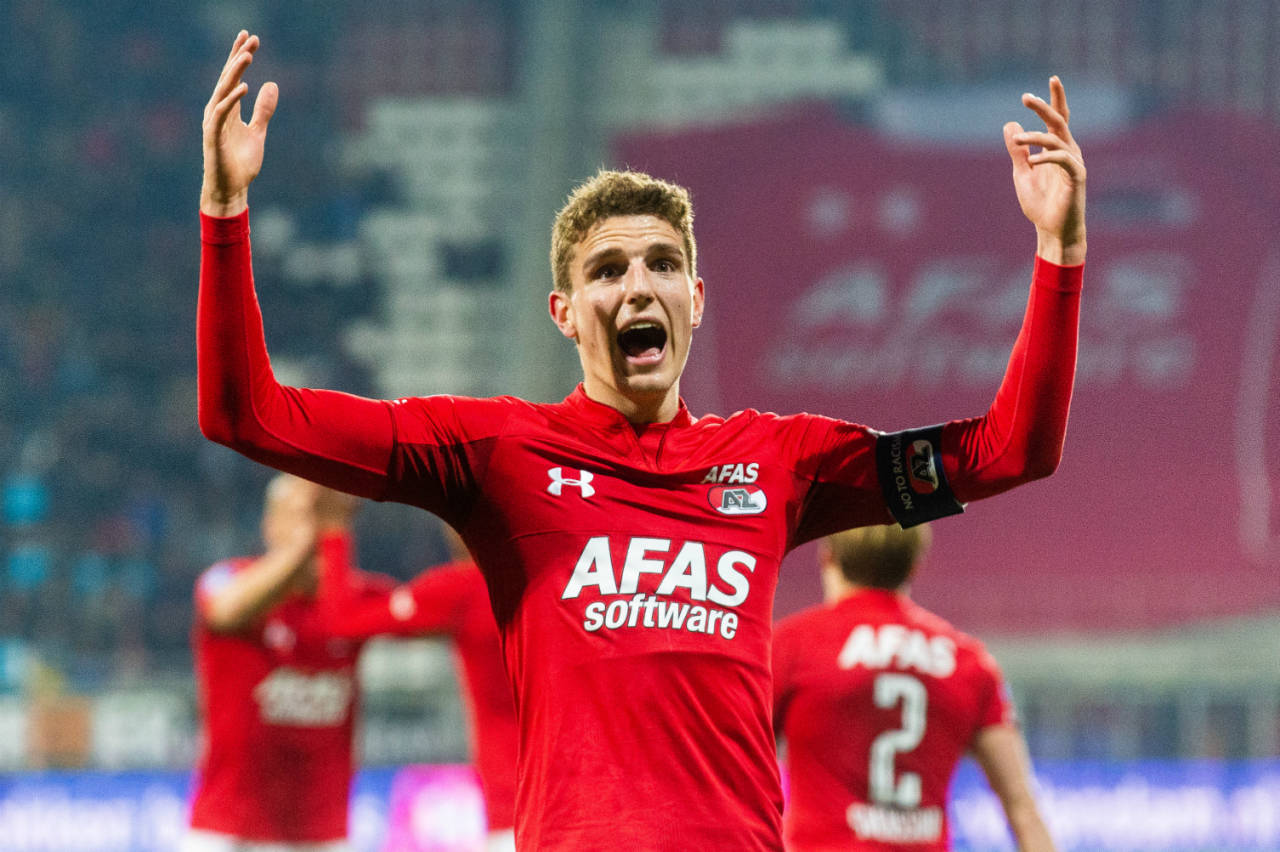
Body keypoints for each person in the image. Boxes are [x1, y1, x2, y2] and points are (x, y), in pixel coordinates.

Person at [197, 30, 1085, 851]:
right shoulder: (497, 452)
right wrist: (226, 209)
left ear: (696, 299)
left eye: (663, 264)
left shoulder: (780, 461)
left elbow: (1011, 451)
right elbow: (246, 413)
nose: (638, 286)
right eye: (607, 270)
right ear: (565, 313)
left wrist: (1059, 256)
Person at [772, 524, 1056, 851]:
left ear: (827, 557)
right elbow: (1021, 805)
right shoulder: (968, 661)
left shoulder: (794, 645)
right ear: (917, 564)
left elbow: (739, 769)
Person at [186, 474, 386, 852]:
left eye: (321, 516)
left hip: (322, 839)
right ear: (269, 525)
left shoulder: (359, 598)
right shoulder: (227, 578)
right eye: (300, 515)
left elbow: (450, 609)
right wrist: (303, 549)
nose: (312, 527)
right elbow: (226, 611)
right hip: (229, 834)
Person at [316, 529, 518, 851]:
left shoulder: (464, 586)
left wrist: (334, 531)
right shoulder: (570, 580)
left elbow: (341, 621)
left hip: (518, 814)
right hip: (605, 799)